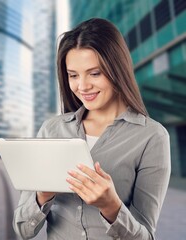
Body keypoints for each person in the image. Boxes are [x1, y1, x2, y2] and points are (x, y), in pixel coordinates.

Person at [13, 18, 170, 240]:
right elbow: (22, 230)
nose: (83, 86)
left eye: (94, 73)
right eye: (73, 75)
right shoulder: (52, 130)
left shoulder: (151, 137)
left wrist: (111, 207)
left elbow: (145, 236)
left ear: (117, 69)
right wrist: (42, 195)